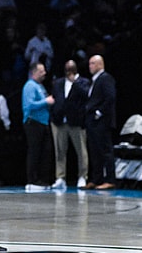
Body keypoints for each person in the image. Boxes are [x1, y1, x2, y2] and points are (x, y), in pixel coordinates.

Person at [50, 60, 90, 190]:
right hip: (60, 121)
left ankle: (82, 176)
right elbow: (55, 99)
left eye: (71, 69)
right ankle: (60, 177)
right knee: (60, 151)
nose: (69, 72)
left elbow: (86, 96)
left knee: (81, 151)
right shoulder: (58, 83)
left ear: (76, 70)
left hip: (76, 123)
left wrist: (75, 83)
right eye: (67, 70)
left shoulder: (83, 82)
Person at [85, 54, 117, 190]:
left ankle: (109, 179)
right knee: (94, 150)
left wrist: (99, 112)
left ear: (99, 64)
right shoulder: (94, 80)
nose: (90, 66)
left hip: (102, 121)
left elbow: (110, 97)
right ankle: (96, 179)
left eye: (92, 63)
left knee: (105, 150)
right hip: (93, 121)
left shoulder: (106, 78)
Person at [21, 62, 54, 192]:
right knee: (34, 152)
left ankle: (42, 179)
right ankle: (32, 180)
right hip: (33, 122)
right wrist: (46, 101)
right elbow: (29, 105)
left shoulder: (40, 86)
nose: (44, 73)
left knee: (45, 152)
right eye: (41, 71)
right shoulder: (30, 86)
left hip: (43, 122)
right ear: (34, 72)